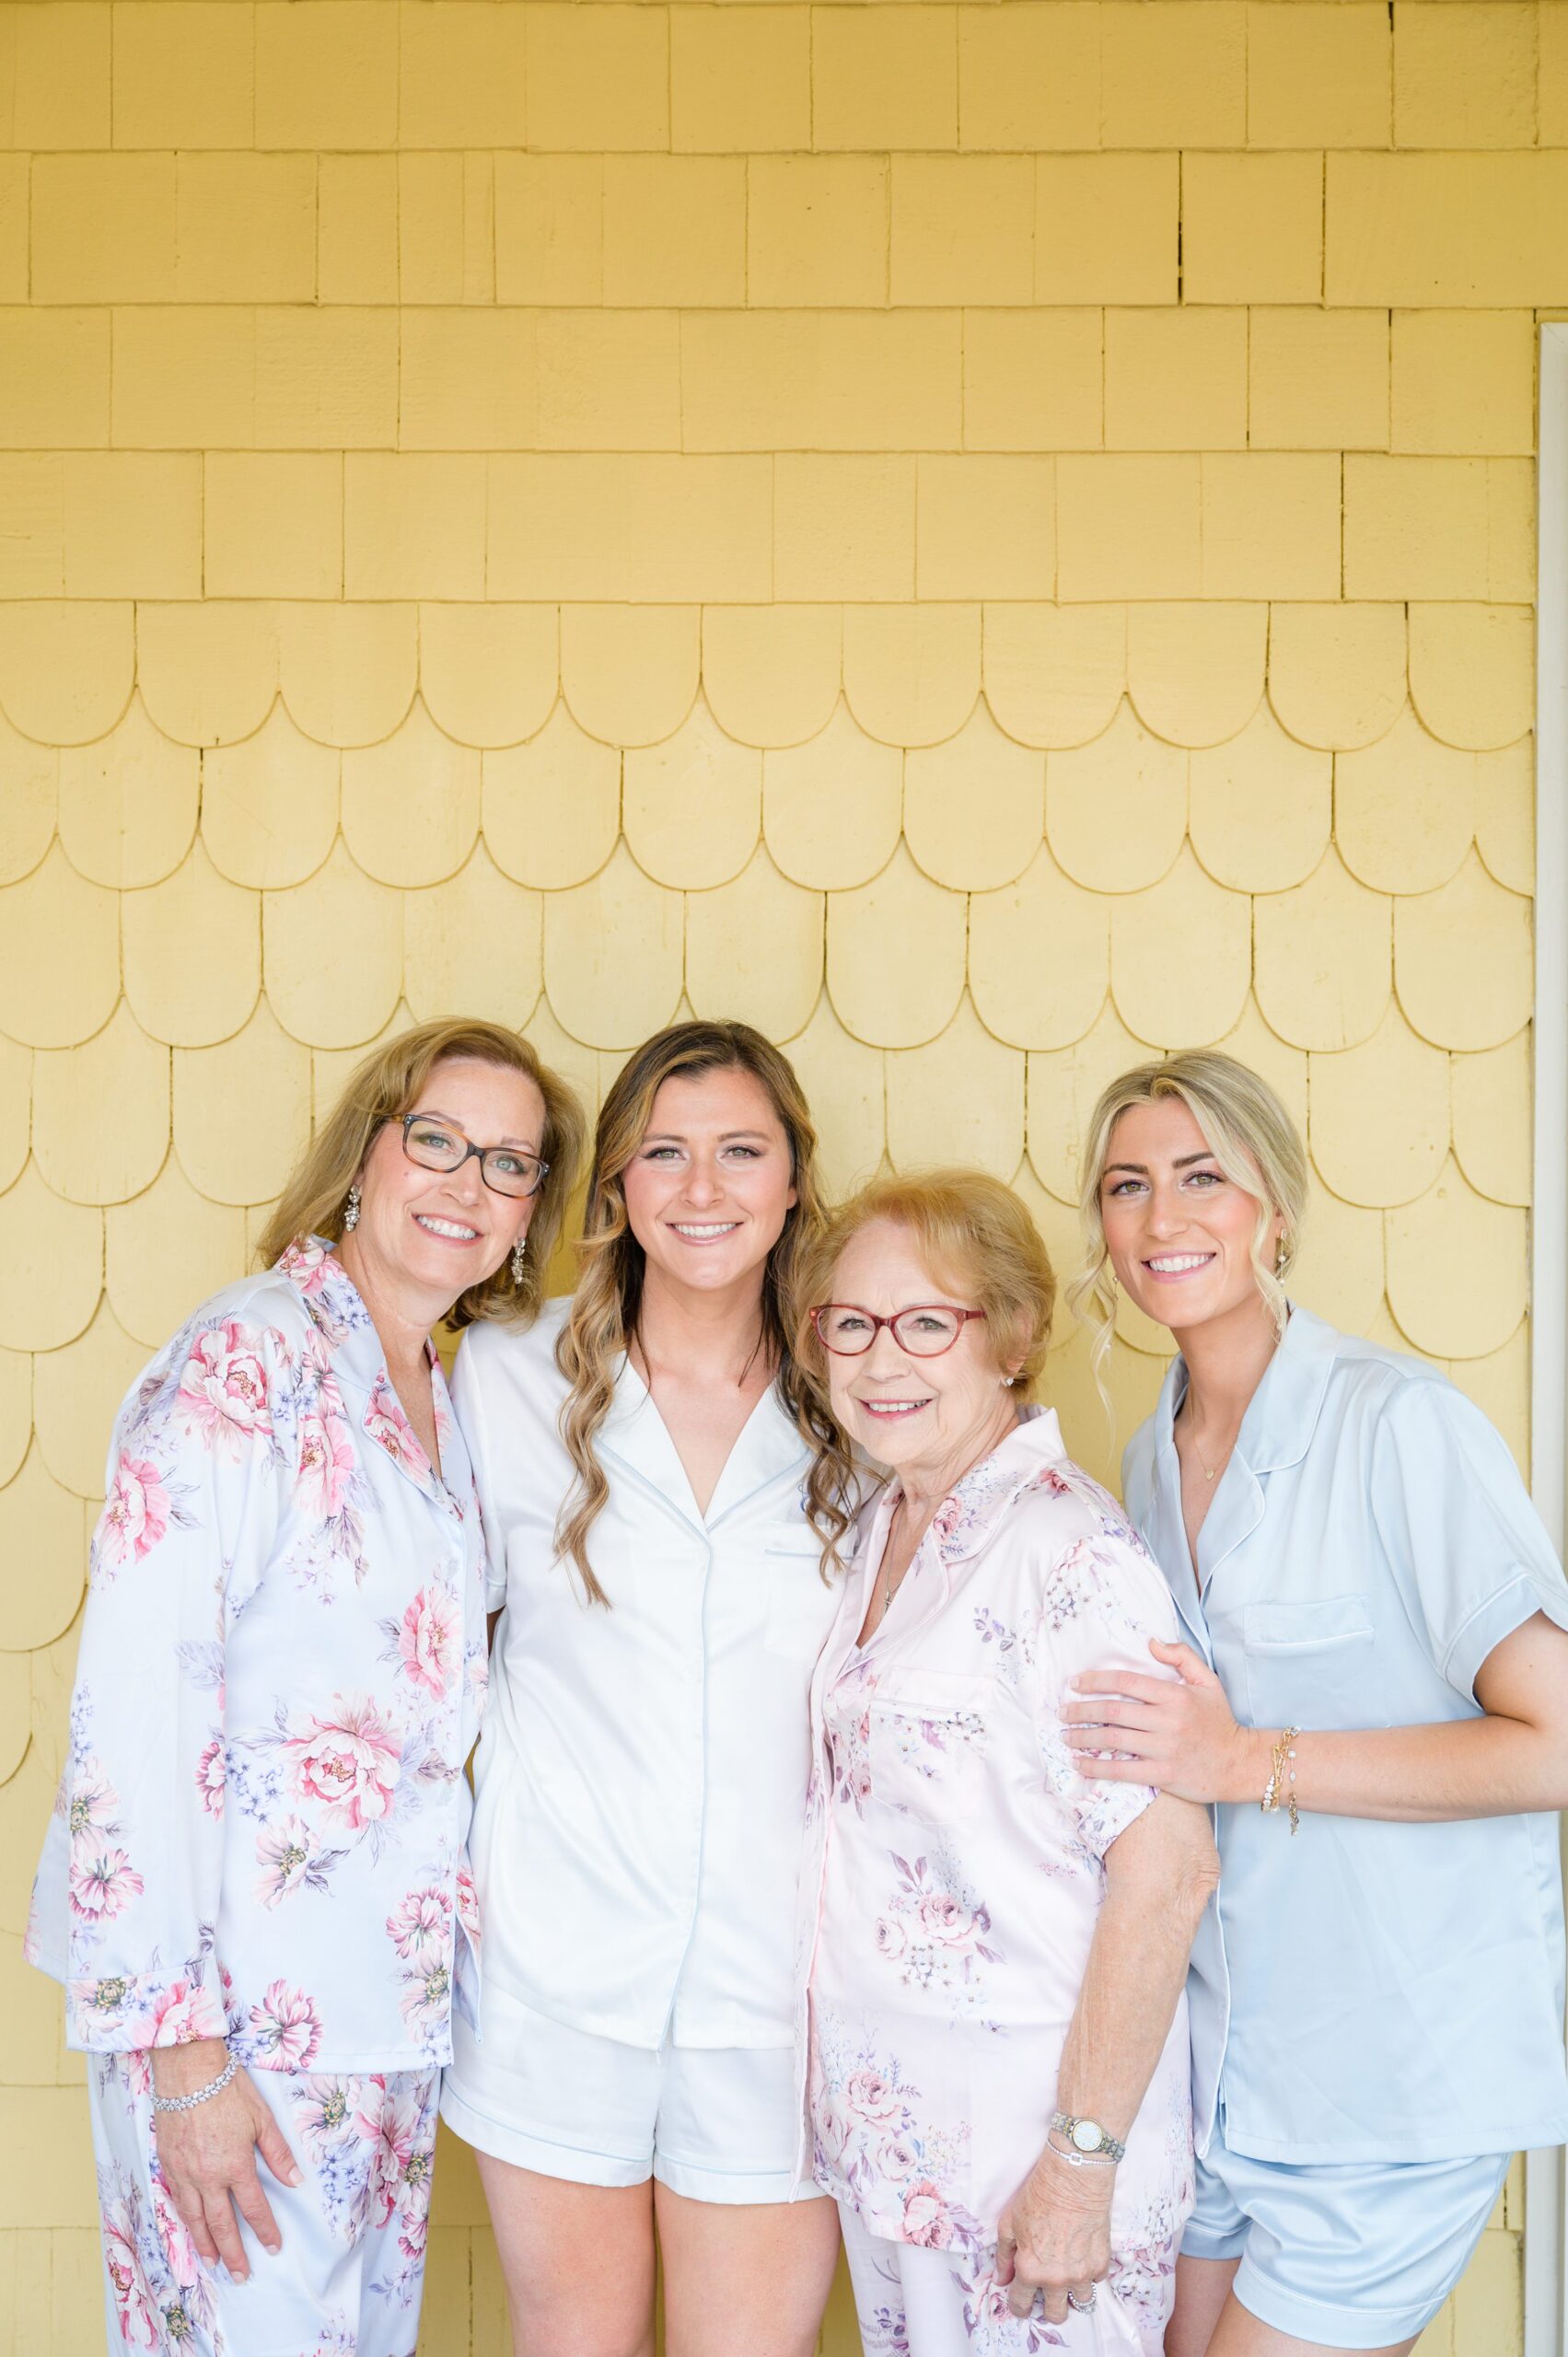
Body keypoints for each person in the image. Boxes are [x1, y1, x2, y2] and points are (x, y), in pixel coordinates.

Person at [25, 1016, 585, 2357]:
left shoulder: (438, 1393)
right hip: (236, 2026)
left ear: (531, 1213)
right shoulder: (246, 1363)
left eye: (510, 1166)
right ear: (366, 1152)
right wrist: (180, 2054)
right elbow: (137, 1715)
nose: (468, 1184)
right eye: (438, 1140)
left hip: (383, 2012)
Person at [1062, 1050, 1568, 2357]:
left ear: (1274, 1208)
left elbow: (1557, 1742)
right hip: (1226, 2080)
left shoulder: (1397, 1423)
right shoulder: (1148, 1456)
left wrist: (1247, 1760)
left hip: (1390, 2084)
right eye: (1128, 1186)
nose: (1163, 1220)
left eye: (1203, 1179)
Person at [440, 1019, 843, 2357]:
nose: (702, 1189)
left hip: (779, 1991)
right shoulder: (505, 1378)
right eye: (663, 1154)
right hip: (560, 1965)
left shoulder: (864, 1398)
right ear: (615, 1184)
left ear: (793, 1181)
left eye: (741, 1151)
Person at [792, 1169, 1219, 2357]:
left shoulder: (1067, 1553)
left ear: (1013, 1340)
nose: (884, 1362)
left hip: (1032, 2166)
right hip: (902, 2153)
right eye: (852, 1324)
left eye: (930, 1323)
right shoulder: (889, 1521)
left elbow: (1168, 1868)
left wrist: (1080, 2169)